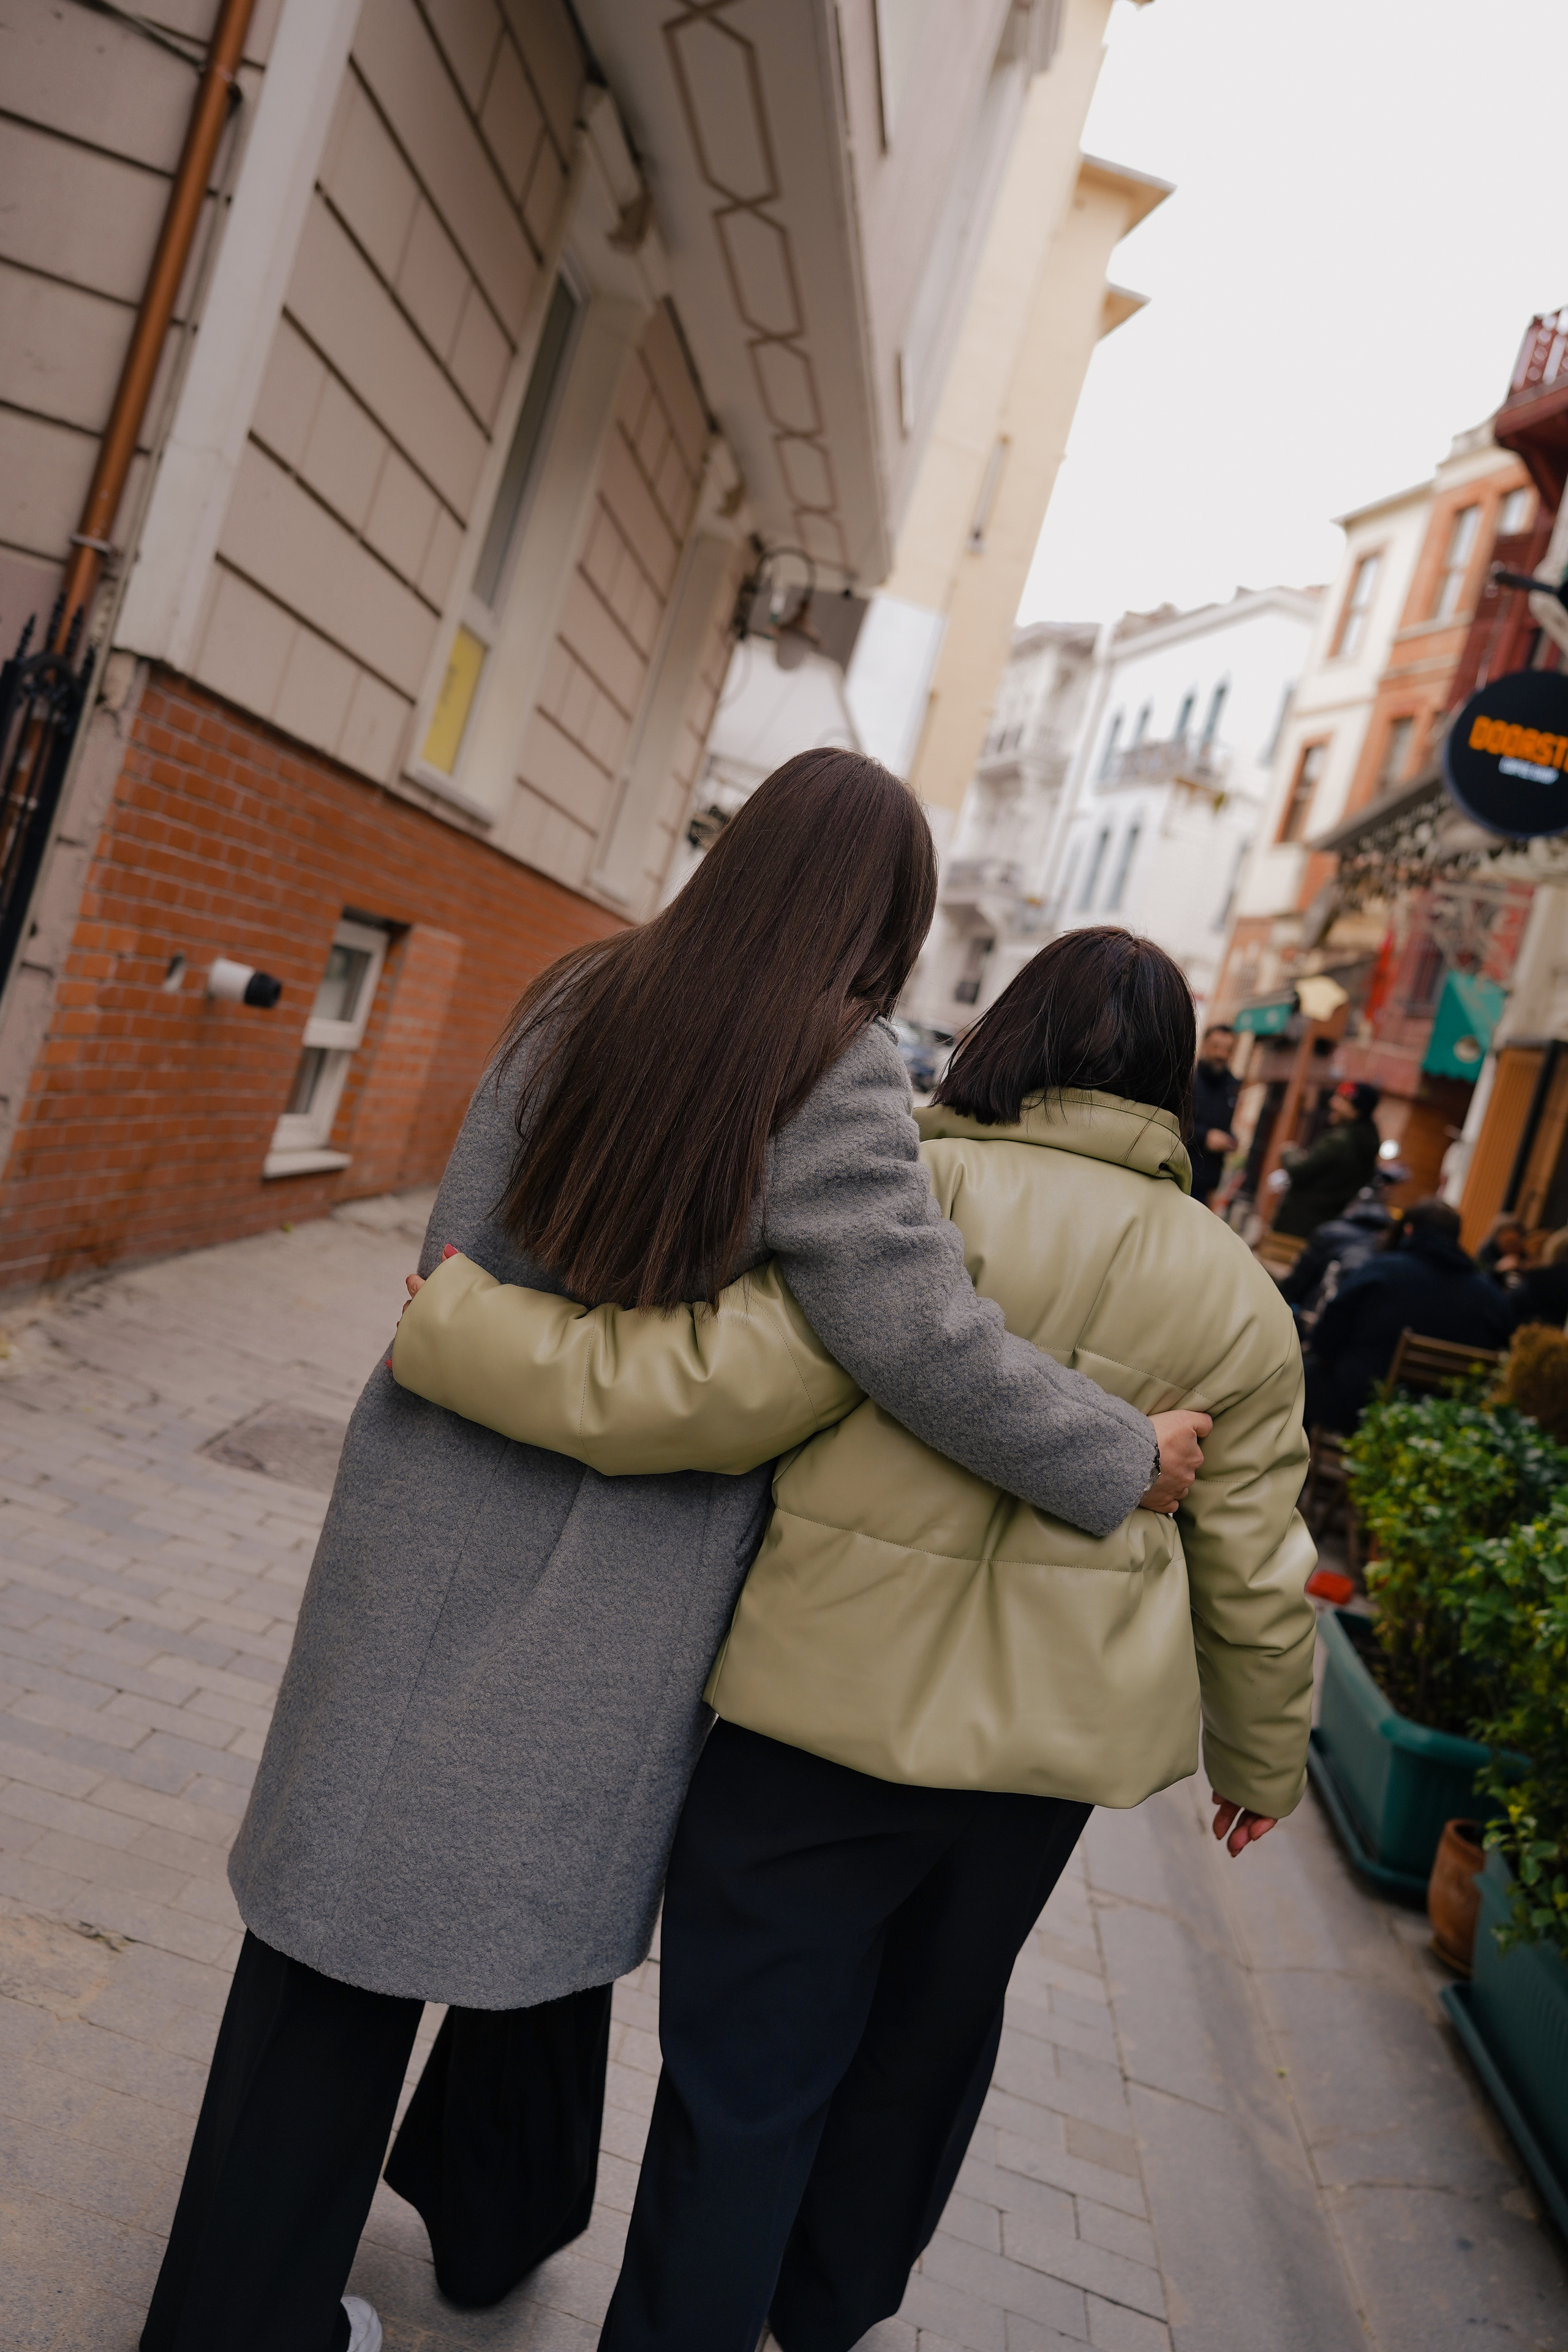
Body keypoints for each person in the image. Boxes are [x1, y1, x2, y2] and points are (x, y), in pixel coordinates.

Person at [140, 755, 1206, 2352]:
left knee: (360, 1928)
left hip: (426, 1509)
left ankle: (392, 2255)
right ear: (886, 922)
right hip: (601, 1584)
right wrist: (1124, 1458)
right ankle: (283, 2310)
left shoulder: (575, 991)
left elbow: (455, 1251)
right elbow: (927, 1340)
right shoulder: (832, 1070)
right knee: (470, 1921)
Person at [394, 925, 1317, 2352]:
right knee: (919, 2051)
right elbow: (1252, 1560)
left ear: (1008, 1033)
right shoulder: (1235, 1296)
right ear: (1173, 1081)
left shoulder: (915, 1194)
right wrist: (1260, 1757)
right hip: (1029, 1776)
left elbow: (705, 1387)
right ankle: (818, 2311)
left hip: (805, 1731)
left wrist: (459, 1328)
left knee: (744, 2078)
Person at [1302, 1196, 1515, 1434]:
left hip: (1362, 1410)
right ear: (1456, 1238)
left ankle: (1302, 1466)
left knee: (1300, 1376)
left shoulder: (1379, 1272)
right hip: (1441, 1427)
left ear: (1409, 1229)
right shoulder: (1492, 1299)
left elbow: (1324, 1342)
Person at [1272, 1079, 1383, 1239]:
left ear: (1357, 1110)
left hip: (1297, 1224)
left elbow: (1299, 1171)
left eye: (1342, 1100)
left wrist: (1289, 1152)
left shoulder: (1338, 1141)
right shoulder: (1367, 1144)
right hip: (1325, 1226)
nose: (1333, 1103)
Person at [1279, 1184, 1394, 1327]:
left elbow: (1301, 1277)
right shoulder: (1386, 1243)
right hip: (1353, 1325)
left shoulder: (1331, 1231)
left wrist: (1283, 1300)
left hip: (1311, 1314)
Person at [1188, 1022, 1240, 1205]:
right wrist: (1206, 1137)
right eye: (1216, 1047)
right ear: (1204, 1046)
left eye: (1228, 1050)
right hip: (1180, 1173)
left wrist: (1231, 1139)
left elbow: (1223, 1125)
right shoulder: (1187, 1078)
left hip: (1208, 1183)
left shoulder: (1232, 1086)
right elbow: (1173, 1122)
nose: (1221, 1054)